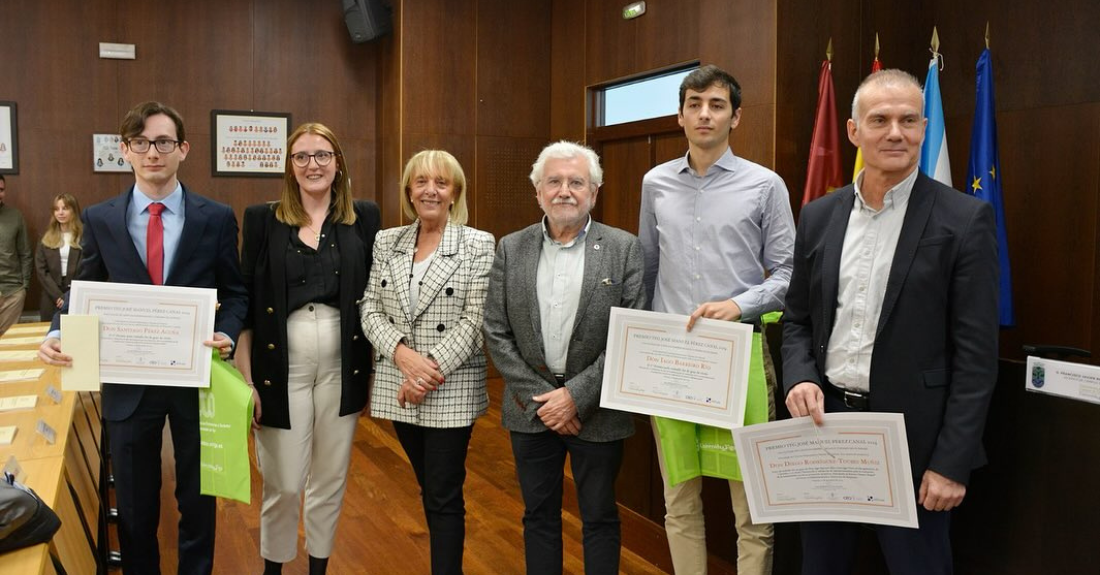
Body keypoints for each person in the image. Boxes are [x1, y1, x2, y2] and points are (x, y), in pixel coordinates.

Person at [782, 69, 999, 575]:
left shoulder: (964, 220)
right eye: (879, 120)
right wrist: (799, 377)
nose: (895, 132)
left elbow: (976, 358)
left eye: (907, 120)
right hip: (825, 427)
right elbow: (796, 319)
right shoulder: (818, 215)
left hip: (917, 442)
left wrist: (951, 462)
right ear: (855, 132)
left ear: (924, 128)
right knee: (821, 565)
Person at [37, 101, 248, 575]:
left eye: (163, 142)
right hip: (127, 383)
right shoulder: (101, 218)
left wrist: (226, 332)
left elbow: (235, 293)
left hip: (198, 380)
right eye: (141, 143)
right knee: (133, 507)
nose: (153, 152)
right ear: (126, 151)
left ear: (183, 149)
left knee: (198, 501)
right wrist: (56, 331)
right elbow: (82, 291)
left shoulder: (214, 218)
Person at [639, 64, 795, 575]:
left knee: (751, 505)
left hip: (740, 357)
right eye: (694, 104)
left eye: (717, 105)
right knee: (679, 498)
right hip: (672, 361)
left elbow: (790, 273)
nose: (704, 114)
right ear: (680, 115)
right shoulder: (655, 183)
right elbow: (647, 266)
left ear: (735, 116)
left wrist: (740, 304)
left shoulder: (765, 185)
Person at [484, 141, 645, 575]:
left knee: (599, 516)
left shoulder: (624, 248)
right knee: (538, 516)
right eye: (553, 182)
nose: (564, 191)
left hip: (597, 410)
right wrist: (546, 399)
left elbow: (632, 337)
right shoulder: (511, 248)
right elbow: (495, 330)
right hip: (530, 409)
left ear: (594, 192)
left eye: (576, 182)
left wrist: (574, 397)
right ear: (538, 191)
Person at [237, 123, 380, 575]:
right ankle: (273, 569)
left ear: (338, 163)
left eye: (322, 155)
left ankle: (319, 567)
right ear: (289, 166)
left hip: (344, 368)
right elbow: (244, 305)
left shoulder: (364, 216)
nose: (312, 164)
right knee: (282, 481)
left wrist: (375, 374)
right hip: (279, 369)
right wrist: (245, 382)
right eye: (301, 156)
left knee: (331, 477)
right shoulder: (262, 219)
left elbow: (377, 296)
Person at [360, 150, 494, 575]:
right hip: (399, 384)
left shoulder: (477, 243)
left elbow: (476, 322)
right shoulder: (387, 240)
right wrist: (402, 356)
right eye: (420, 182)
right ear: (408, 191)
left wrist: (424, 372)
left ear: (455, 193)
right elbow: (369, 309)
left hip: (448, 388)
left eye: (441, 182)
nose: (430, 190)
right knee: (427, 487)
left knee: (442, 494)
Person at [35, 193, 83, 321]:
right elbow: (41, 270)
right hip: (51, 295)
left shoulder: (85, 237)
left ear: (74, 210)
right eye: (57, 209)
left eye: (65, 208)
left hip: (76, 293)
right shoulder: (45, 237)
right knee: (50, 334)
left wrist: (68, 296)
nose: (60, 213)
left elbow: (86, 268)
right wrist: (58, 296)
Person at [0, 174, 32, 335]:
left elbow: (25, 253)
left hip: (12, 292)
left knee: (8, 344)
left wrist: (24, 287)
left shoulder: (15, 216)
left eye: (1, 189)